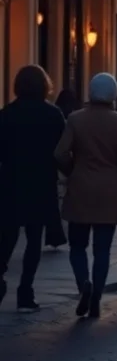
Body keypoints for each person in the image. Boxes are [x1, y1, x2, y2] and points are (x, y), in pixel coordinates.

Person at [54, 72, 117, 320]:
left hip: (81, 187)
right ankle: (96, 298)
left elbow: (60, 153)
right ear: (114, 95)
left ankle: (84, 283)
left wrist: (73, 170)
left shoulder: (76, 119)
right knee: (103, 249)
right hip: (109, 190)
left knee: (77, 245)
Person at [0, 64, 65, 311]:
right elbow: (61, 150)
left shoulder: (6, 114)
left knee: (7, 235)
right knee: (34, 239)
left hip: (11, 181)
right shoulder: (53, 115)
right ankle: (25, 291)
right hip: (41, 182)